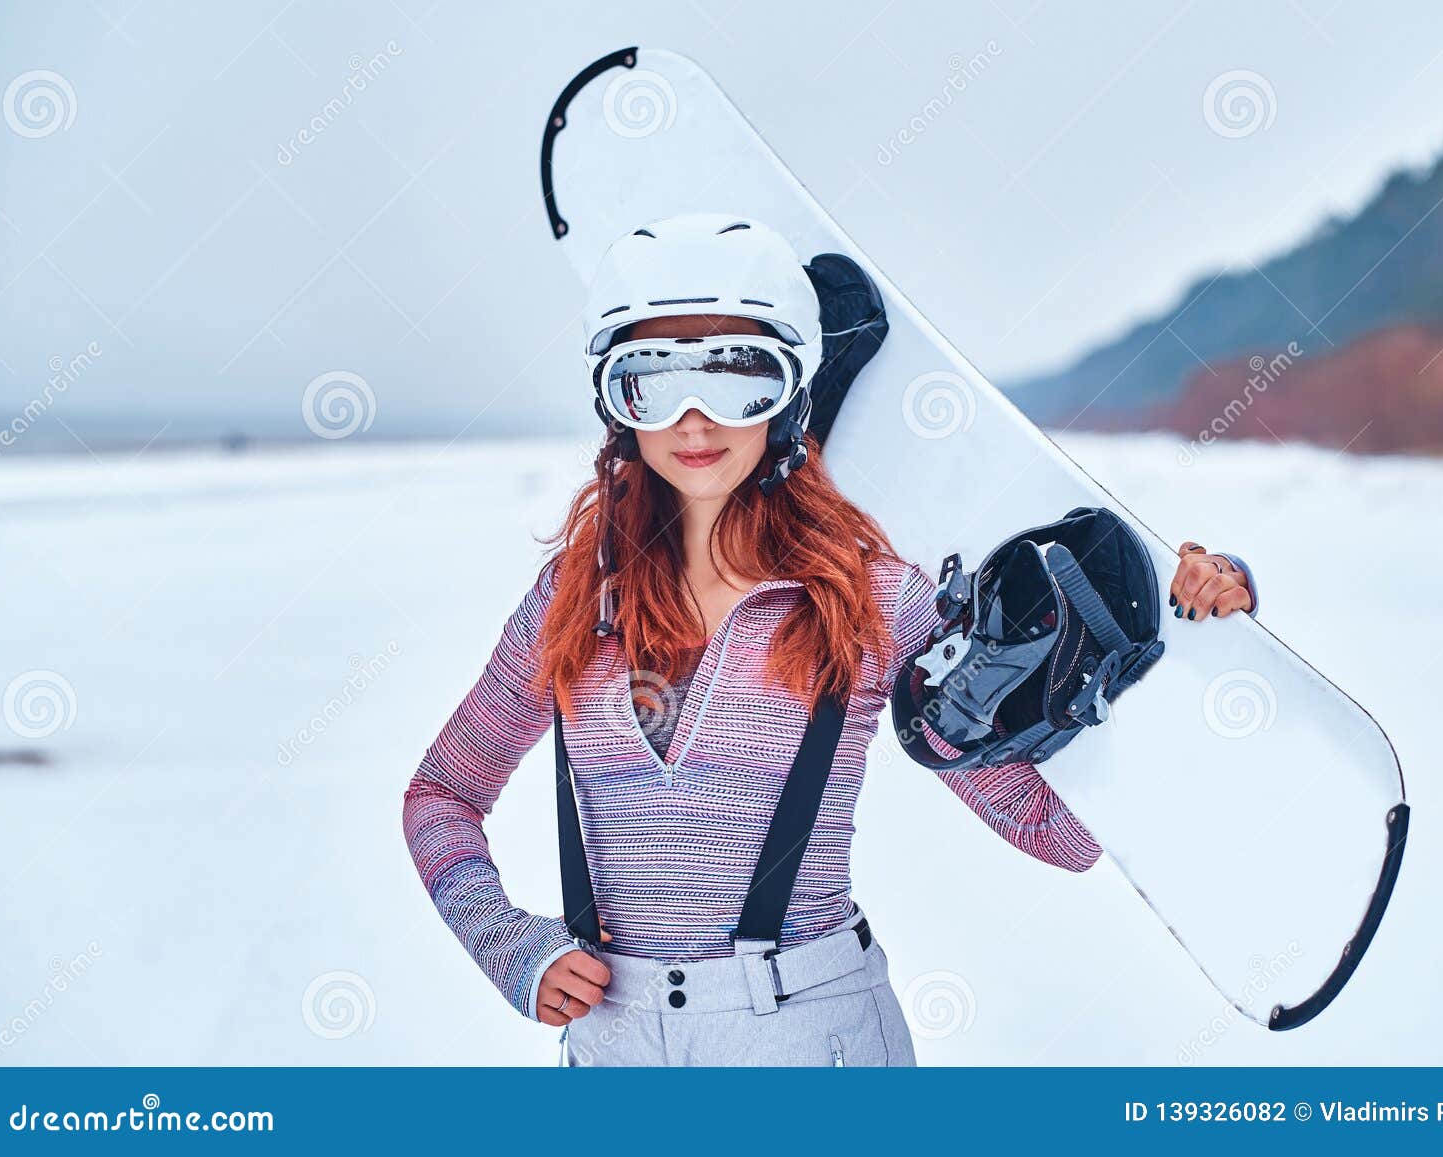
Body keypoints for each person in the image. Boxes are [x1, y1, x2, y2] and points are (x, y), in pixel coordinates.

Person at [402, 213, 1256, 1067]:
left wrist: (1171, 640)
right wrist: (509, 946)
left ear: (791, 390)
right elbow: (441, 792)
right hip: (611, 1052)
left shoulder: (872, 596)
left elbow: (1054, 831)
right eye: (652, 381)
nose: (694, 422)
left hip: (815, 1045)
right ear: (614, 401)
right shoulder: (571, 599)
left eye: (737, 378)